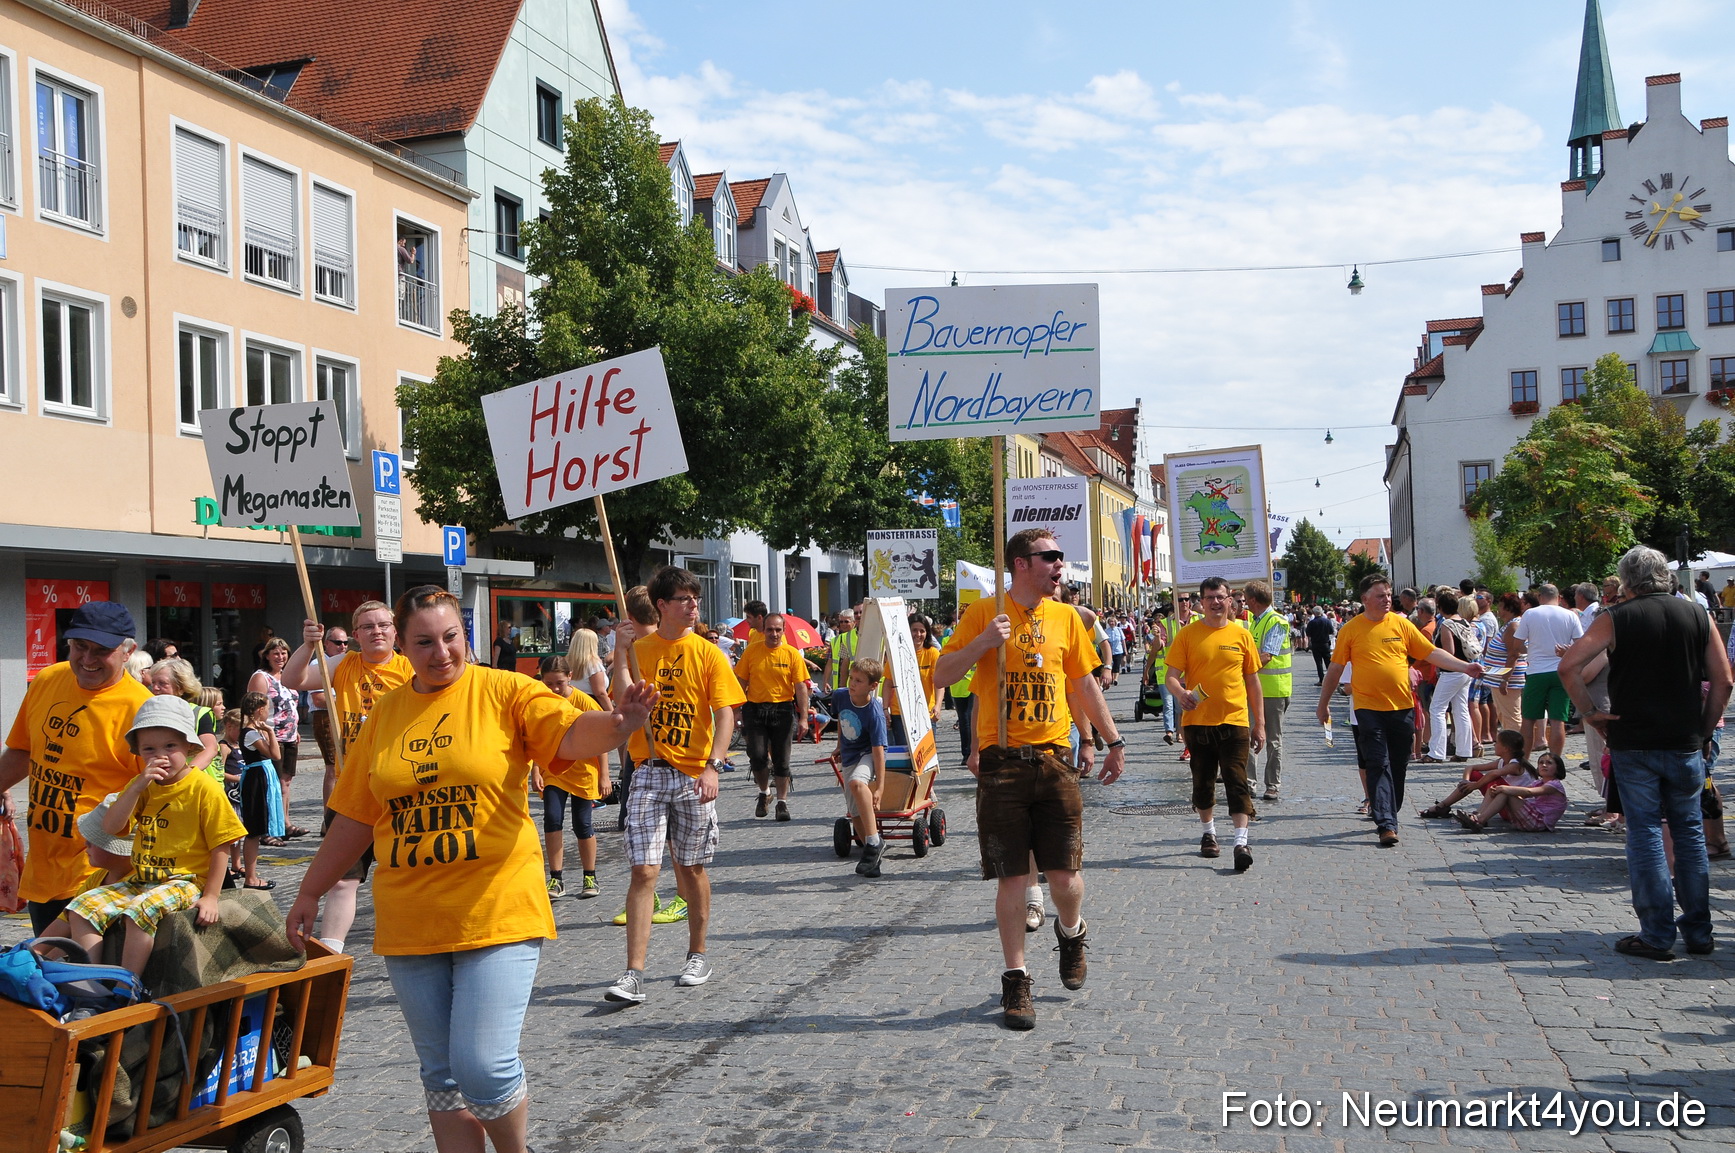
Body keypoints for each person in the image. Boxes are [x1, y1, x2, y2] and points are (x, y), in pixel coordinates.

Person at [288, 585, 654, 1153]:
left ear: (466, 633)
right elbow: (355, 818)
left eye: (451, 637)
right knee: (442, 1077)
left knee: (483, 1065)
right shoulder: (384, 714)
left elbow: (572, 733)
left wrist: (618, 725)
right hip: (411, 920)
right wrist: (309, 891)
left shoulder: (506, 690)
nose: (441, 653)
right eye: (425, 642)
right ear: (403, 648)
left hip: (497, 905)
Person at [933, 529, 1126, 1031]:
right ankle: (1016, 979)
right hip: (1002, 762)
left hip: (1055, 759)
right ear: (1021, 563)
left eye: (1061, 556)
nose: (1060, 564)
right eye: (1051, 557)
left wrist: (1112, 740)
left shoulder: (1066, 617)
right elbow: (941, 676)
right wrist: (982, 642)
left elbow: (1082, 682)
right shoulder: (984, 612)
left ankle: (1071, 929)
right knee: (1013, 876)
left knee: (1064, 878)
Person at [1561, 545, 1731, 961]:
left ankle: (1656, 933)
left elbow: (1569, 667)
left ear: (1627, 582)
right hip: (1684, 740)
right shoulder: (1697, 614)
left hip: (1633, 740)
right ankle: (1699, 930)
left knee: (1646, 833)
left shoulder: (1615, 618)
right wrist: (1705, 729)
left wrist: (1590, 713)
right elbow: (1724, 680)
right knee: (1689, 833)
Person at [605, 566, 746, 1005]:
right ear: (662, 605)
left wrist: (713, 767)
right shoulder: (639, 648)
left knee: (691, 869)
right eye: (684, 599)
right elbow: (619, 700)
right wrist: (621, 652)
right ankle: (633, 973)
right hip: (648, 767)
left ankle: (697, 953)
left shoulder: (707, 653)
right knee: (644, 870)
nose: (693, 606)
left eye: (696, 599)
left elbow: (726, 715)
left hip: (692, 773)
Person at [61, 697, 247, 975]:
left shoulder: (203, 788)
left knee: (140, 912)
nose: (160, 755)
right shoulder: (144, 786)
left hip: (185, 880)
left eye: (170, 746)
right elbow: (111, 827)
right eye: (149, 749)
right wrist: (136, 787)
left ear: (188, 747)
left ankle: (128, 983)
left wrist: (210, 896)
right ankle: (91, 981)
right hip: (143, 879)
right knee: (81, 906)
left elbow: (221, 845)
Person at [0, 602, 155, 934]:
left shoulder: (141, 709)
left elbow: (164, 792)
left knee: (83, 979)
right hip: (44, 871)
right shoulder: (48, 679)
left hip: (100, 875)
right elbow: (22, 751)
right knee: (51, 977)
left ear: (127, 652)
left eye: (101, 651)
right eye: (80, 647)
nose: (87, 659)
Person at [1316, 575, 1484, 848]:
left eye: (1388, 594)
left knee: (1398, 764)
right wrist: (1323, 704)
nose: (1386, 599)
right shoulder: (1351, 629)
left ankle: (1389, 810)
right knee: (1377, 764)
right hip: (1368, 709)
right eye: (1380, 595)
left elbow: (1431, 653)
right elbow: (1335, 669)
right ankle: (1386, 823)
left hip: (1402, 707)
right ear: (1365, 599)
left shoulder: (1402, 624)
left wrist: (1466, 666)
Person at [282, 602, 414, 951]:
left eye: (383, 625)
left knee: (404, 874)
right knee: (342, 879)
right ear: (355, 635)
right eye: (367, 626)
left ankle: (412, 944)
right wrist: (309, 645)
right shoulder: (344, 664)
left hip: (399, 786)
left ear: (396, 632)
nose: (376, 632)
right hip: (352, 788)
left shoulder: (410, 669)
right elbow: (292, 680)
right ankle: (331, 952)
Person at [1166, 578, 1265, 872]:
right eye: (1209, 598)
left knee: (1237, 781)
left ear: (1230, 600)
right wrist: (1181, 693)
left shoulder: (1241, 634)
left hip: (1234, 719)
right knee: (1203, 782)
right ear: (1201, 601)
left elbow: (1253, 681)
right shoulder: (1188, 635)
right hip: (1198, 723)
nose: (1215, 602)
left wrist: (1259, 723)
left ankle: (1240, 841)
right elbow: (1171, 675)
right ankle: (1208, 833)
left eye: (1220, 597)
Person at [532, 656, 612, 900]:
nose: (554, 689)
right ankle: (555, 878)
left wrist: (605, 775)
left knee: (582, 824)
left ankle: (590, 875)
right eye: (548, 684)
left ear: (570, 677)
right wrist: (535, 770)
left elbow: (601, 739)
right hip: (553, 771)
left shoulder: (585, 702)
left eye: (559, 683)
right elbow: (536, 737)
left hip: (584, 772)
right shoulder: (541, 702)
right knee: (552, 820)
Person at [734, 611, 811, 822]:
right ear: (763, 630)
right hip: (755, 709)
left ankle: (782, 803)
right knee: (757, 756)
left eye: (778, 630)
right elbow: (740, 681)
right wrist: (735, 710)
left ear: (783, 631)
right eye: (770, 630)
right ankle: (765, 792)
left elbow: (801, 687)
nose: (774, 634)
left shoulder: (791, 654)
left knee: (781, 760)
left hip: (782, 710)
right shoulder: (751, 652)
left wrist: (803, 717)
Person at [1509, 583, 1583, 763]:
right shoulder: (1570, 615)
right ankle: (1555, 762)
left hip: (1536, 671)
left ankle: (1524, 762)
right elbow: (1580, 644)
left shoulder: (1531, 614)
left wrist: (1530, 650)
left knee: (1528, 720)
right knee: (1558, 720)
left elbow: (1516, 645)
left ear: (1540, 597)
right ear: (1558, 598)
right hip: (1561, 671)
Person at [831, 658, 890, 878]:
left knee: (857, 782)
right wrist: (839, 745)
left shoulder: (874, 713)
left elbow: (878, 751)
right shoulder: (840, 696)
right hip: (849, 755)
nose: (852, 684)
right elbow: (841, 720)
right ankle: (872, 857)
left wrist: (880, 787)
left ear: (873, 686)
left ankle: (875, 841)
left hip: (868, 754)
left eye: (859, 681)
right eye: (851, 678)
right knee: (854, 812)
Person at [247, 638, 305, 842]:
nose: (280, 657)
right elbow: (254, 706)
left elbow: (291, 705)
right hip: (272, 735)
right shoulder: (262, 677)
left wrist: (295, 729)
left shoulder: (288, 676)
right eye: (276, 654)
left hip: (289, 736)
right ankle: (269, 827)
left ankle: (285, 823)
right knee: (272, 784)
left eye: (284, 653)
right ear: (267, 656)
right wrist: (259, 732)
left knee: (286, 782)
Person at [1245, 580, 1290, 802]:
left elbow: (1267, 655)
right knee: (1246, 736)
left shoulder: (1276, 621)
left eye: (1246, 599)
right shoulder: (1255, 622)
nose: (1244, 603)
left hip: (1274, 689)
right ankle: (1248, 783)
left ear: (1253, 600)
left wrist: (1240, 669)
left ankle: (1272, 784)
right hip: (1254, 689)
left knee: (1272, 739)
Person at [1418, 729, 1530, 818]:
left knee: (1494, 782)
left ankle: (1479, 815)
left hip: (1518, 809)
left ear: (1506, 748)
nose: (1494, 745)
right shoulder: (1501, 762)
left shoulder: (1516, 765)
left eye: (1497, 743)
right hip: (1506, 805)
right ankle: (1442, 806)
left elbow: (1493, 774)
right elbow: (1470, 767)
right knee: (1475, 775)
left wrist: (1475, 785)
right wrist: (1465, 782)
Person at [1452, 751, 1570, 833]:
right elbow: (1522, 795)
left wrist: (1504, 788)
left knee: (1504, 791)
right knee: (1495, 788)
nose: (1544, 765)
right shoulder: (1539, 782)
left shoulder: (1554, 785)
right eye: (1541, 763)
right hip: (1532, 817)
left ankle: (1480, 820)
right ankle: (1478, 816)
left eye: (1549, 763)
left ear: (1558, 768)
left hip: (1539, 822)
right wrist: (1497, 790)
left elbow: (1529, 792)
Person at [1423, 590, 1479, 763]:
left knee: (1437, 709)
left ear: (1440, 607)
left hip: (1452, 672)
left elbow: (1449, 653)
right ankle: (1464, 750)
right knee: (1461, 709)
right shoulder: (1464, 622)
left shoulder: (1447, 624)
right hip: (1466, 671)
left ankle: (1436, 752)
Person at [884, 613, 941, 749]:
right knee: (904, 755)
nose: (918, 634)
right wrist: (885, 709)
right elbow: (887, 683)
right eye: (914, 630)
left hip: (926, 713)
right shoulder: (896, 653)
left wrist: (938, 706)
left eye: (922, 631)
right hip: (900, 713)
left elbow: (939, 682)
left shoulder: (933, 653)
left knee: (926, 755)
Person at [821, 610, 859, 693]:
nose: (843, 624)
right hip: (838, 685)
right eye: (841, 622)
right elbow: (830, 662)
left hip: (855, 683)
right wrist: (825, 682)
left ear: (854, 622)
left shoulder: (859, 637)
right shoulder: (835, 640)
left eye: (846, 621)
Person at [1305, 606, 1336, 684]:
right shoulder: (1327, 621)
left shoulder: (1312, 622)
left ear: (1314, 613)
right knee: (1328, 662)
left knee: (1319, 663)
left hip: (1316, 644)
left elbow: (1308, 633)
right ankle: (1331, 679)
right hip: (1325, 643)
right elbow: (1331, 631)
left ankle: (1321, 679)